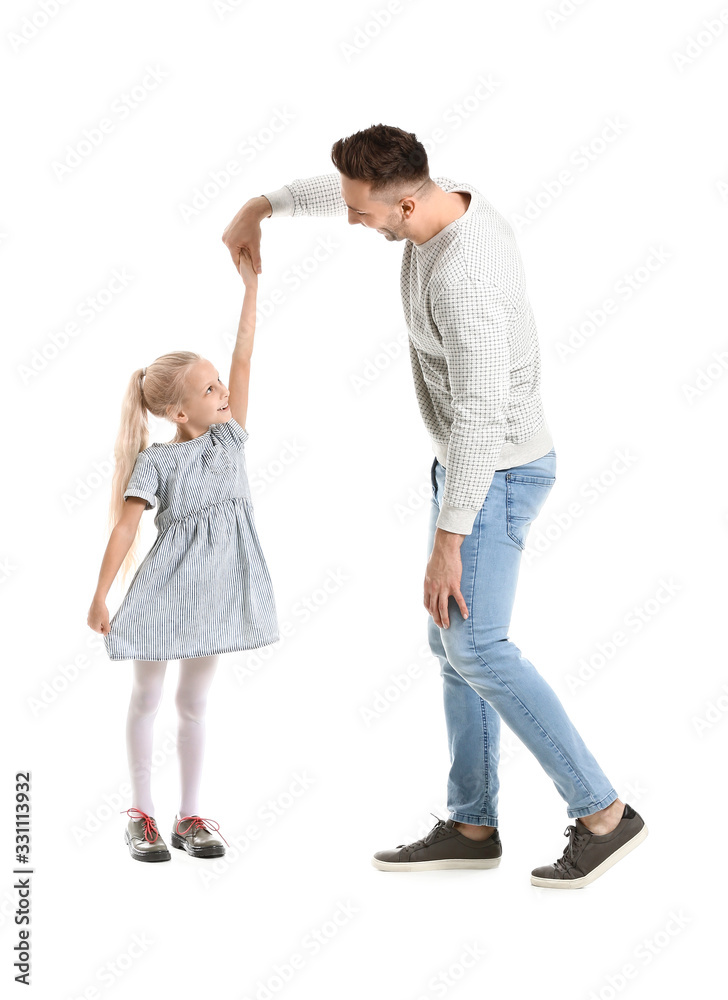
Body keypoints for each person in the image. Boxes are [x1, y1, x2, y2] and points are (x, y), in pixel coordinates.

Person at [221, 123, 648, 889]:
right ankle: (472, 821)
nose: (354, 221)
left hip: (497, 472)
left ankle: (604, 812)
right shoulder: (432, 199)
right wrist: (263, 206)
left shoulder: (465, 275)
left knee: (478, 647)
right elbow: (348, 193)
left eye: (364, 214)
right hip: (467, 468)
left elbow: (482, 414)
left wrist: (449, 537)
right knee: (452, 644)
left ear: (408, 203)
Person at [87, 249, 279, 863]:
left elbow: (245, 354)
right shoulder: (158, 462)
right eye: (209, 388)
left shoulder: (230, 437)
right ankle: (140, 814)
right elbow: (125, 529)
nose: (223, 391)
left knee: (194, 704)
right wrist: (100, 594)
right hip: (166, 593)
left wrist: (250, 289)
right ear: (178, 411)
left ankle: (190, 817)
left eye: (220, 384)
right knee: (147, 697)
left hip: (218, 588)